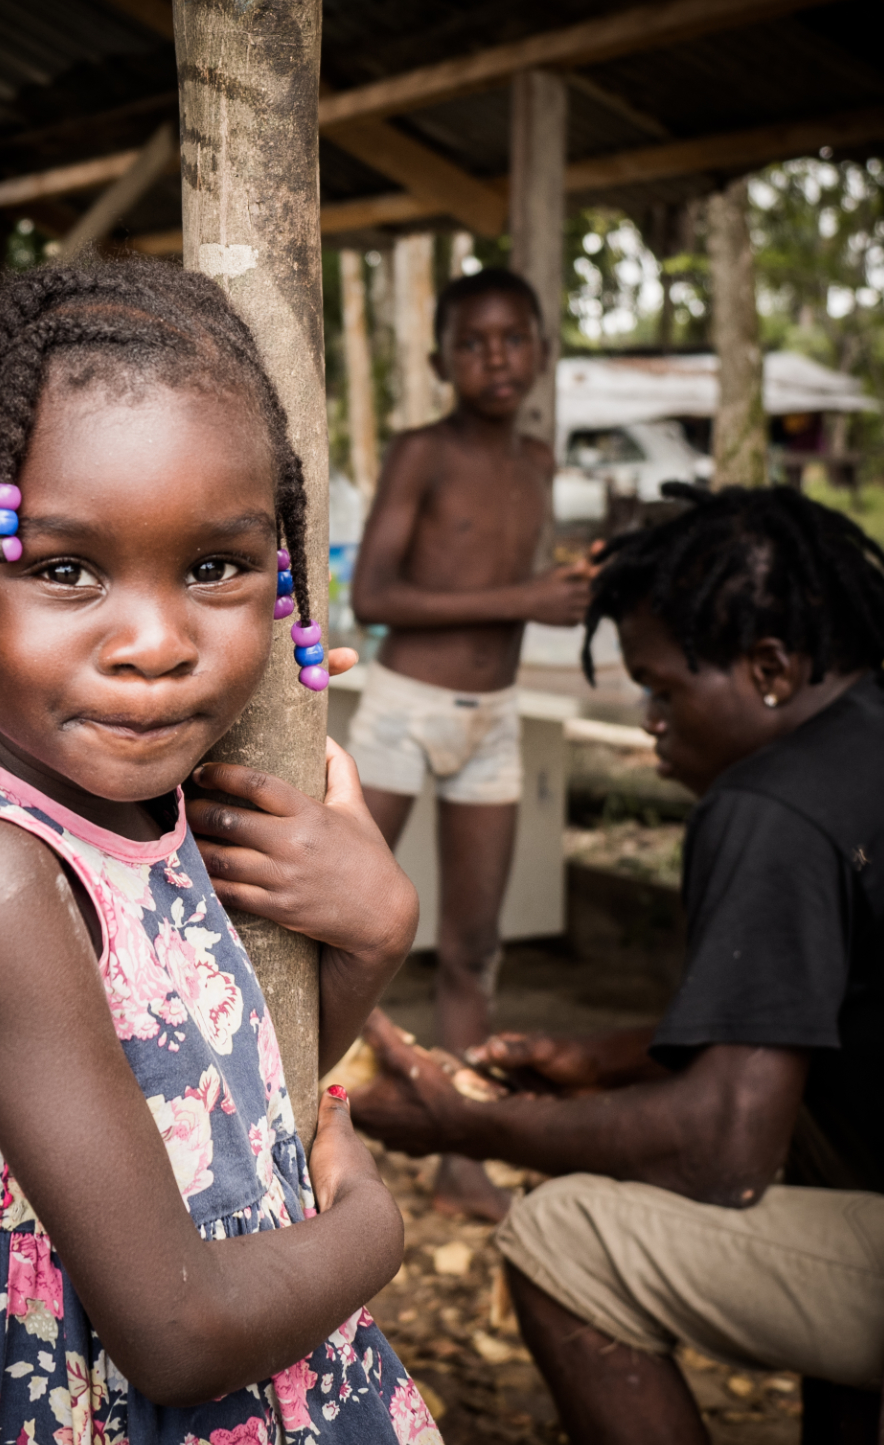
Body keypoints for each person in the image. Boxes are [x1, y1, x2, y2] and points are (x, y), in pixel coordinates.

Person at [0, 261, 439, 1443]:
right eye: (66, 569)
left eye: (215, 566)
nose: (158, 644)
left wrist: (373, 931)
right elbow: (175, 1333)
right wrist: (375, 1224)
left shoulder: (151, 801)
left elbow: (229, 1082)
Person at [350, 483, 884, 1445]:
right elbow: (807, 1017)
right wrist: (606, 1062)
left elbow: (723, 1148)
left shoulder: (767, 807)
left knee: (560, 1238)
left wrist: (470, 1124)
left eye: (661, 689)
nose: (651, 720)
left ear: (771, 668)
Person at [344, 266, 595, 1220]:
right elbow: (374, 598)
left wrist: (566, 588)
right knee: (345, 917)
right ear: (441, 357)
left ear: (538, 349)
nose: (496, 357)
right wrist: (524, 598)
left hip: (493, 721)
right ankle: (292, 1114)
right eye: (474, 341)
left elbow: (509, 580)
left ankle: (459, 1158)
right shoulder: (420, 451)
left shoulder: (536, 463)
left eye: (513, 339)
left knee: (473, 944)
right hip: (407, 705)